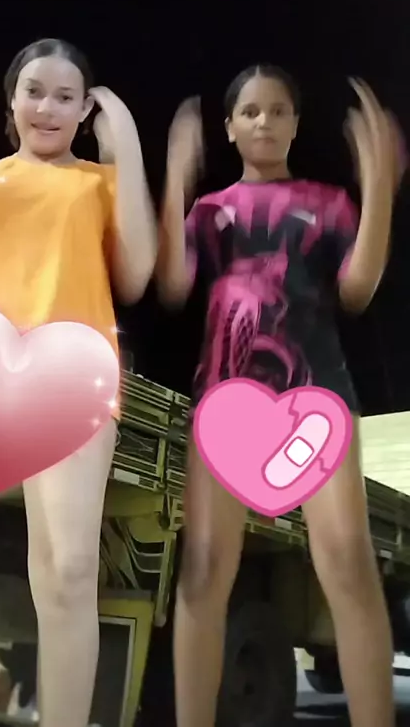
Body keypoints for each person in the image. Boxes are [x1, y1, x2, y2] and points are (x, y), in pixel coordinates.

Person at [156, 64, 399, 727]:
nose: (265, 121)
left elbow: (357, 290)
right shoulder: (211, 211)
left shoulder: (329, 203)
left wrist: (379, 186)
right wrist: (176, 179)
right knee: (204, 569)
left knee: (348, 563)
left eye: (279, 110)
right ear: (230, 128)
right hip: (225, 399)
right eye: (251, 111)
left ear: (295, 123)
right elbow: (173, 286)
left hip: (318, 394)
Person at [0, 39, 157, 727]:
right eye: (33, 91)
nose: (47, 108)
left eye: (65, 97)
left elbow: (136, 275)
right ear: (12, 101)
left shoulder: (100, 183)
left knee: (68, 573)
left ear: (85, 111)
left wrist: (127, 141)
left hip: (71, 379)